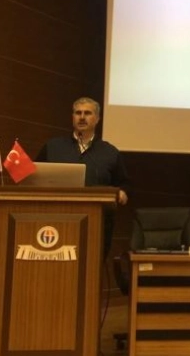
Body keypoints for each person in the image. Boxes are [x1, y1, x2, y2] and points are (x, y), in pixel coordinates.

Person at [35, 97, 130, 259]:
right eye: (78, 113)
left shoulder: (110, 152)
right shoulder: (53, 147)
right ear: (73, 117)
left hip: (97, 223)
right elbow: (36, 175)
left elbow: (124, 184)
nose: (82, 117)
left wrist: (122, 192)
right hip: (55, 221)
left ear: (97, 119)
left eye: (87, 113)